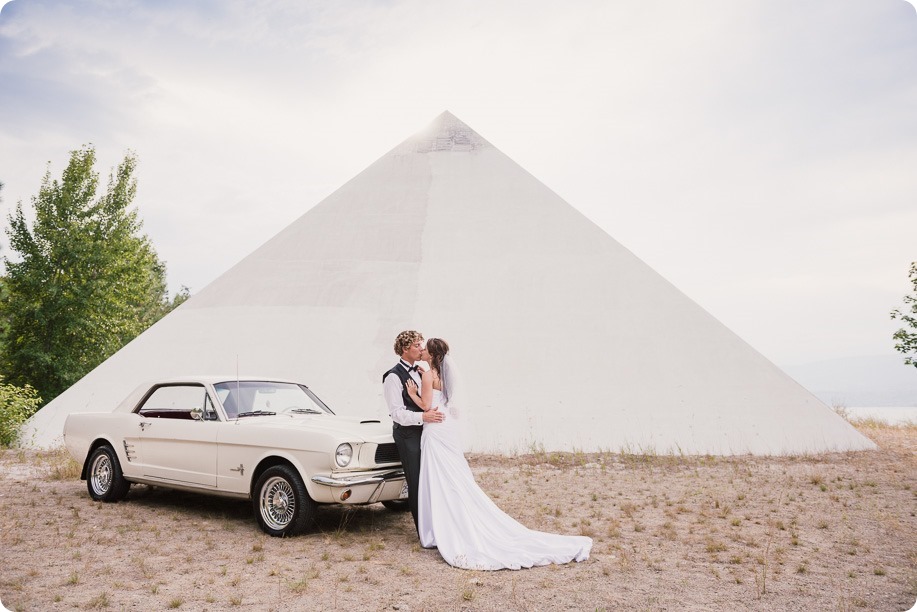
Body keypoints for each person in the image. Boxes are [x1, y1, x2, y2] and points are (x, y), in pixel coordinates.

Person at [406, 338, 593, 570]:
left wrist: (413, 394)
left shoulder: (426, 376)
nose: (421, 351)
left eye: (424, 349)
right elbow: (451, 404)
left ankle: (441, 528)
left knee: (439, 476)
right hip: (448, 428)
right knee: (454, 476)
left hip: (435, 428)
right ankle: (457, 519)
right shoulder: (447, 376)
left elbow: (425, 406)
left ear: (432, 354)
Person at [382, 330, 444, 532]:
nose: (421, 348)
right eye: (417, 345)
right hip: (407, 434)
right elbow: (397, 413)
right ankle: (424, 532)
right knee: (416, 481)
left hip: (425, 433)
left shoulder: (421, 371)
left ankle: (437, 524)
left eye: (421, 344)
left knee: (429, 479)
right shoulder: (392, 377)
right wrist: (423, 417)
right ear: (404, 349)